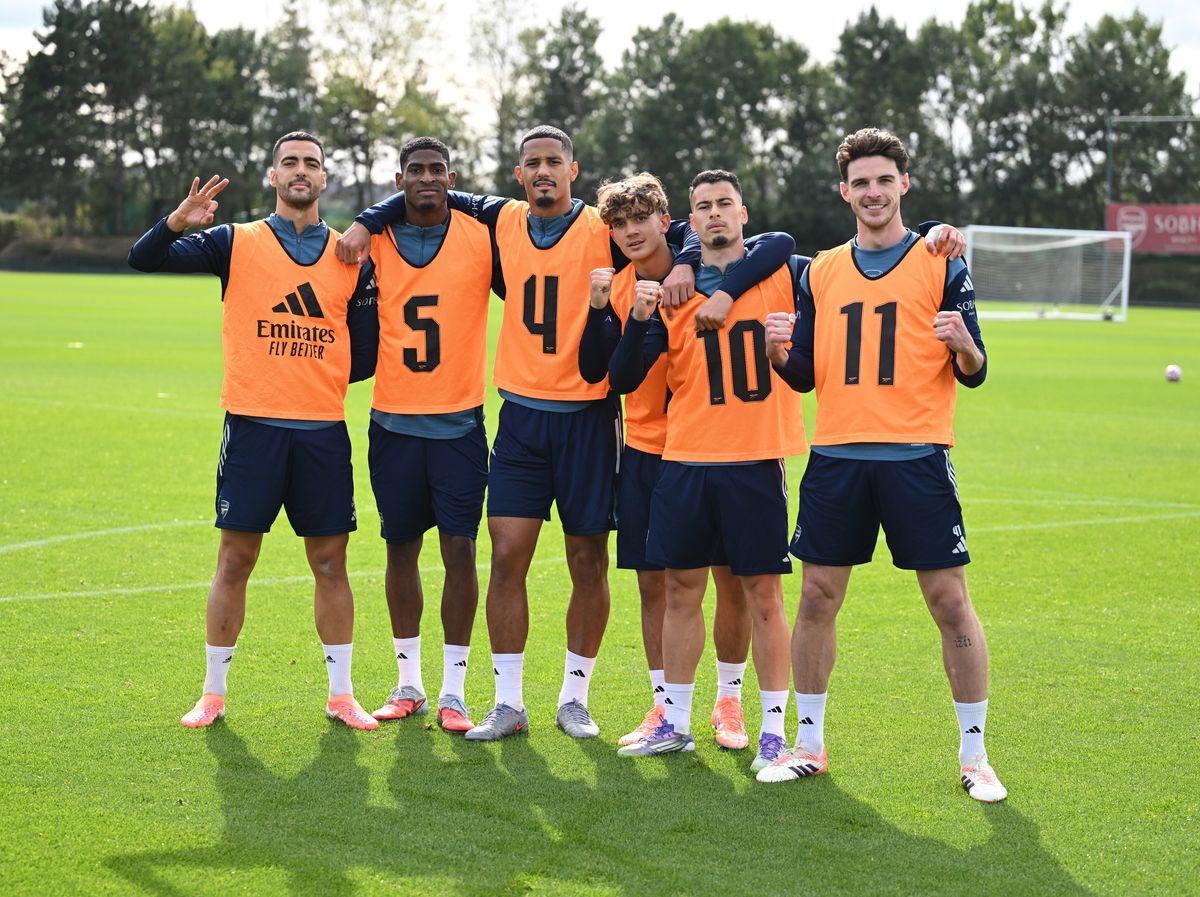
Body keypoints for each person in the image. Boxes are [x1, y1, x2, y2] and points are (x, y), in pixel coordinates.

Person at [336, 127, 786, 741]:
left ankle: (576, 698)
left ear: (574, 169)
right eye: (532, 163)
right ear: (518, 174)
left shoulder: (603, 228)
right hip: (521, 418)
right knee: (507, 556)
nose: (543, 171)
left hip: (591, 420)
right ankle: (509, 701)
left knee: (589, 561)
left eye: (554, 161)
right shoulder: (502, 219)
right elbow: (427, 190)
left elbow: (694, 237)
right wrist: (367, 218)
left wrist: (687, 265)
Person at [757, 127, 1006, 802]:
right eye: (860, 182)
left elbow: (976, 369)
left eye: (883, 179)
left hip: (917, 456)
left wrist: (963, 344)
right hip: (836, 458)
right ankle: (808, 744)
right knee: (816, 597)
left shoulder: (941, 259)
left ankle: (975, 756)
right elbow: (805, 374)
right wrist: (781, 352)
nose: (872, 191)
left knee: (949, 601)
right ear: (845, 191)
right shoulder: (821, 271)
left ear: (903, 184)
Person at [128, 131, 380, 732]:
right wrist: (176, 222)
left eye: (311, 164)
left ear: (325, 180)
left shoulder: (351, 254)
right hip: (252, 429)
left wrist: (315, 366)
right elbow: (145, 258)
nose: (300, 172)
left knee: (330, 563)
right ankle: (212, 694)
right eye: (289, 162)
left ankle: (341, 695)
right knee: (235, 560)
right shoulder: (234, 241)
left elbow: (366, 358)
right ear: (273, 176)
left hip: (321, 432)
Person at [580, 172, 795, 750]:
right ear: (692, 220)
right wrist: (628, 316)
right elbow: (612, 372)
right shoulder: (651, 293)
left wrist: (932, 234)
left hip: (746, 453)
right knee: (672, 586)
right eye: (706, 207)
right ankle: (670, 715)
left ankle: (747, 713)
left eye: (725, 204)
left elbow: (784, 243)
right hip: (671, 455)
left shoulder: (763, 270)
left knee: (751, 589)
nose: (716, 214)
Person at [363, 137, 497, 733]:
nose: (426, 179)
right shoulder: (373, 241)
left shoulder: (481, 236)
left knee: (460, 550)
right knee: (400, 548)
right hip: (392, 423)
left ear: (451, 176)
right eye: (415, 171)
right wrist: (369, 219)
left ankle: (454, 690)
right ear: (399, 178)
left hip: (459, 425)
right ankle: (408, 682)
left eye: (435, 170)